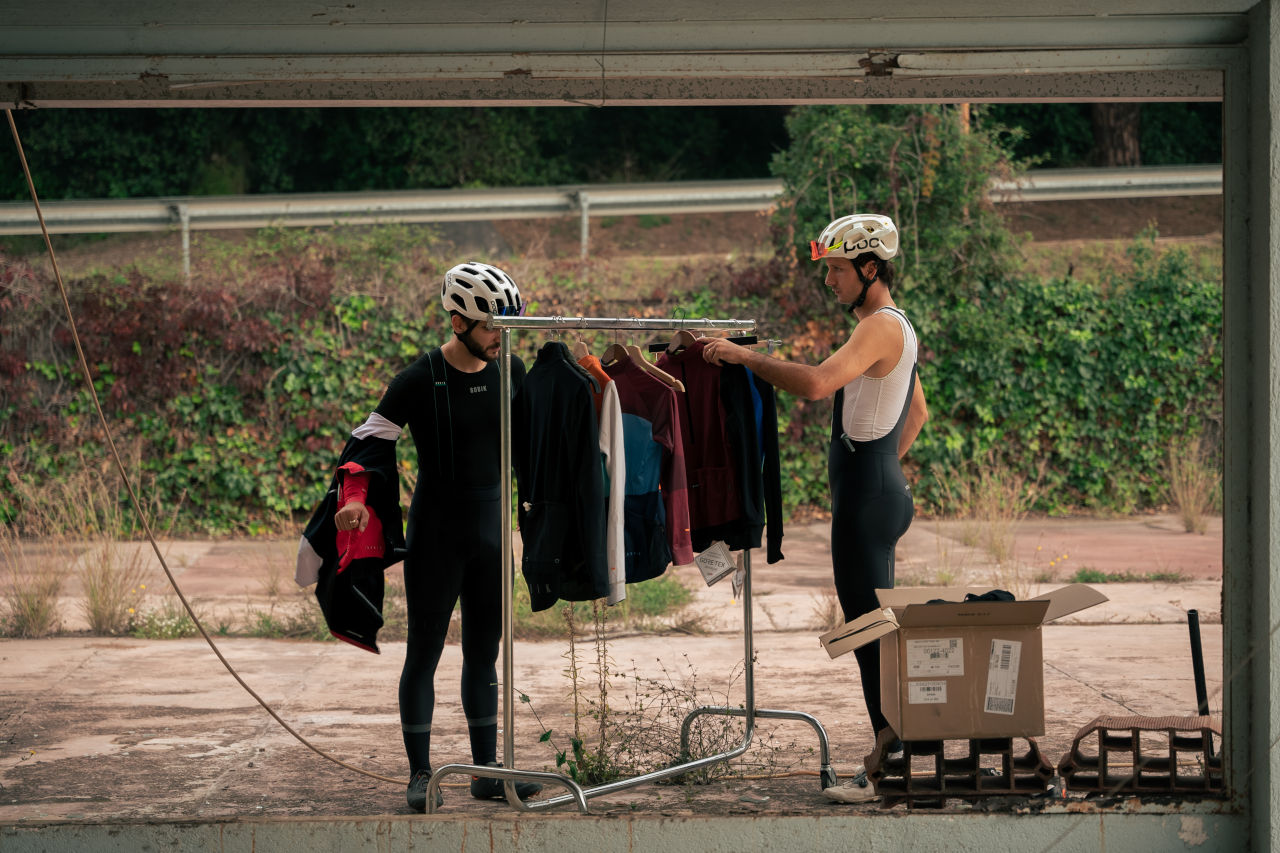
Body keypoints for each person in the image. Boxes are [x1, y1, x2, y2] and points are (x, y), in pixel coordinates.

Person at [701, 213, 927, 802]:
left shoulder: (880, 326)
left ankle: (889, 769)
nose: (829, 281)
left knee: (869, 633)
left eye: (836, 270)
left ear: (870, 268)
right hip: (875, 491)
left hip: (867, 499)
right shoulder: (894, 326)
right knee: (874, 629)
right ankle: (892, 756)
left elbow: (817, 384)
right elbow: (917, 411)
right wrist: (881, 472)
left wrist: (743, 358)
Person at [333, 261, 543, 812]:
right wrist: (354, 499)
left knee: (484, 655)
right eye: (491, 326)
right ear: (458, 322)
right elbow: (368, 442)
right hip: (436, 537)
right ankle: (421, 774)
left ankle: (486, 772)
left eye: (506, 325)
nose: (501, 336)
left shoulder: (512, 369)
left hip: (493, 536)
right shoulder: (419, 377)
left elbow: (535, 444)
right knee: (423, 654)